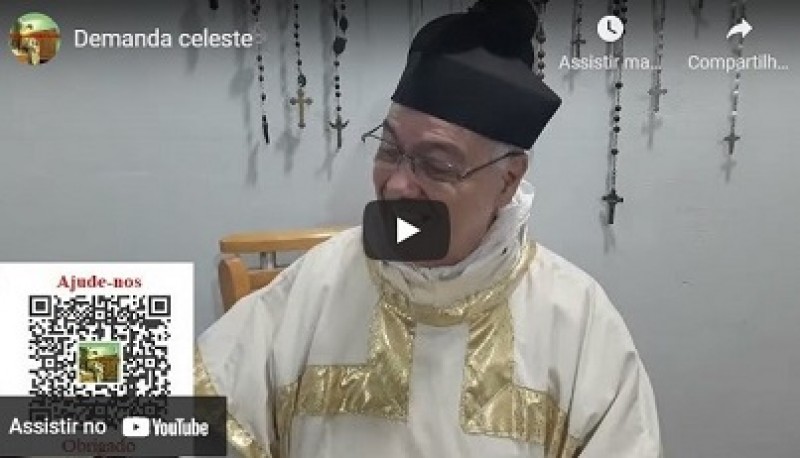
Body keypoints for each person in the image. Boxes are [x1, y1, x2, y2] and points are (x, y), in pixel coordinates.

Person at [195, 0, 662, 456]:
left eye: (436, 165)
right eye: (388, 150)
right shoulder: (318, 284)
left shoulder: (578, 321)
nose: (397, 185)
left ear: (507, 181)